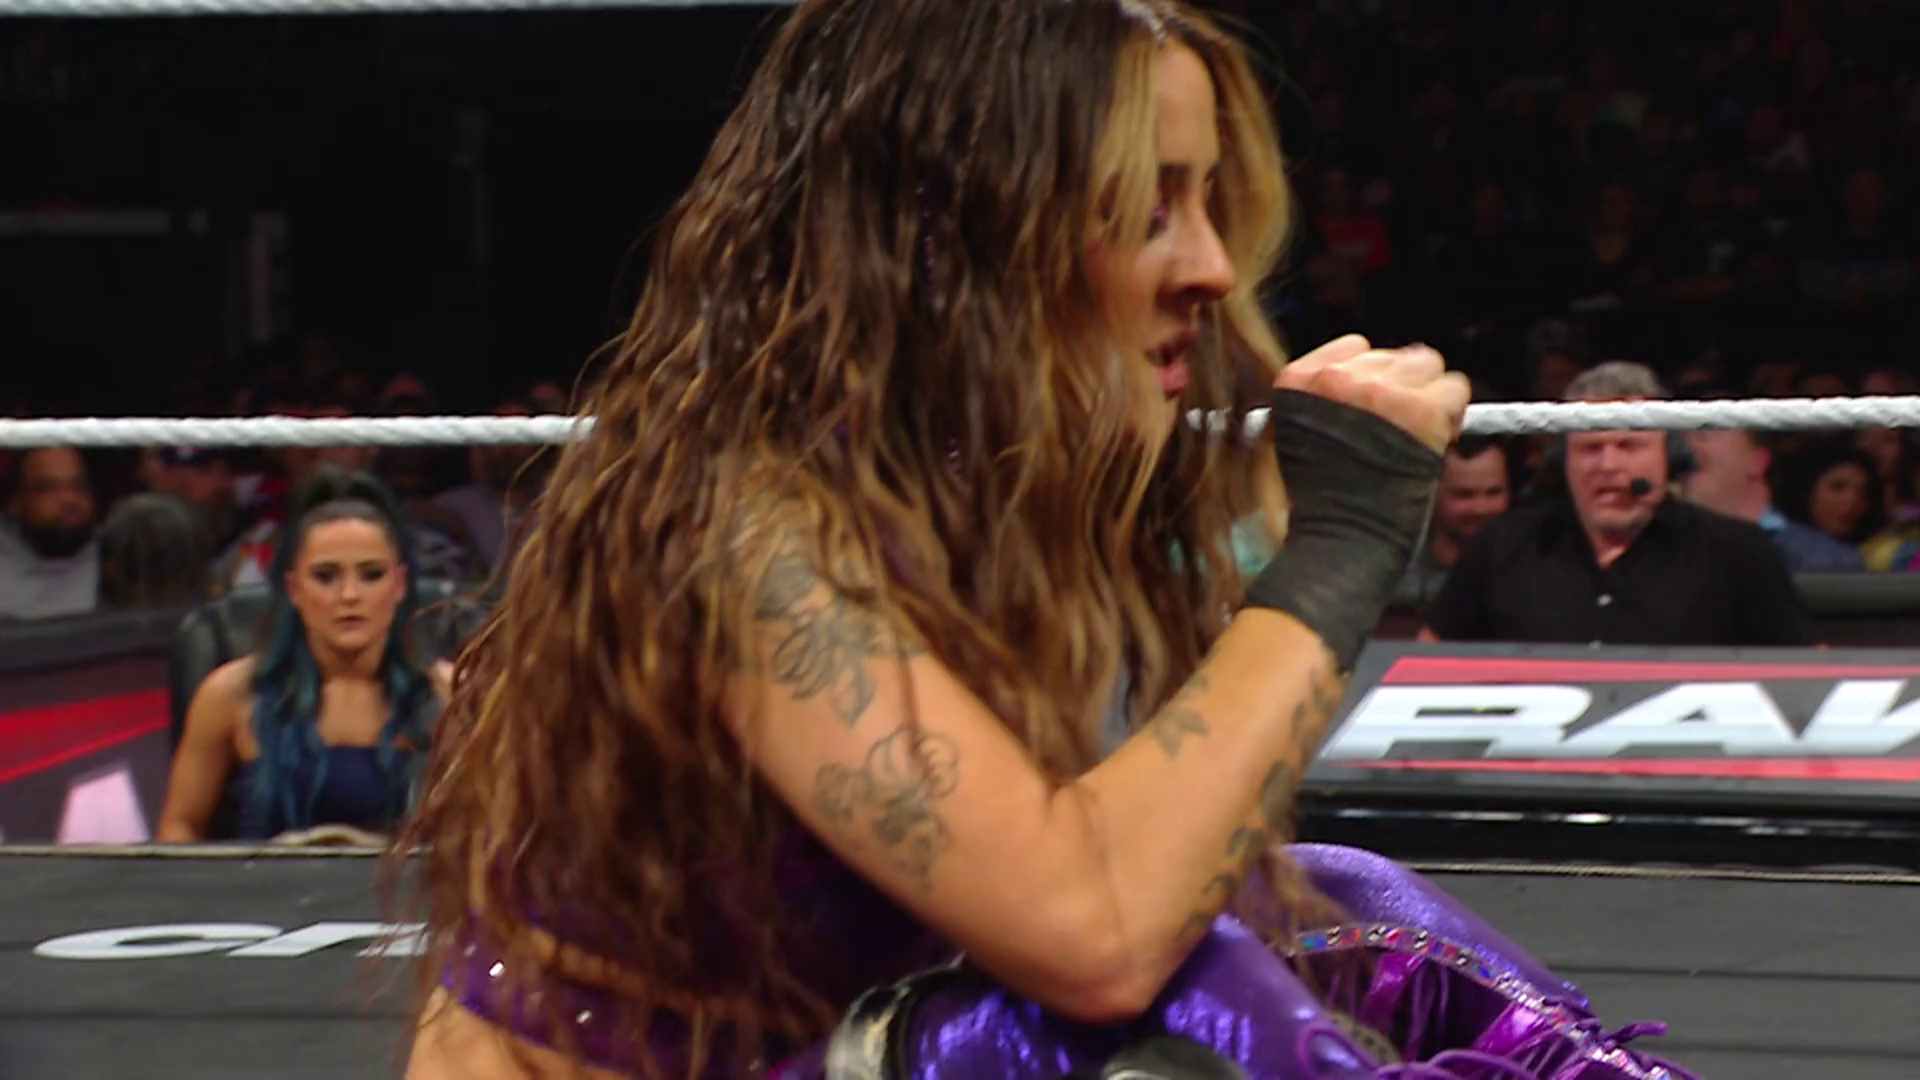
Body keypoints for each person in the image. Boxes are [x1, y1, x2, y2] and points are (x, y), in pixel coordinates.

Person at [401, 4, 1691, 1079]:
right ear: (957, 230)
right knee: (1185, 999)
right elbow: (1096, 933)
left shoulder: (984, 485)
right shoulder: (743, 522)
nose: (1209, 266)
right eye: (1146, 208)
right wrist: (1346, 542)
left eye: (1205, 203)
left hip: (823, 1037)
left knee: (1350, 909)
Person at [1422, 361, 1811, 646]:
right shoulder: (1502, 546)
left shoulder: (1738, 553)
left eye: (1629, 445)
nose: (1608, 465)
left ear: (1669, 455)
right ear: (1564, 461)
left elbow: (1812, 683)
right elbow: (1422, 668)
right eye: (1590, 448)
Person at [156, 466, 447, 843]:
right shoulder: (231, 695)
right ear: (294, 588)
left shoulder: (449, 695)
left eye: (371, 575)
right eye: (326, 576)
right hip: (263, 883)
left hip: (405, 883)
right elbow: (181, 827)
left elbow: (489, 834)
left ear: (400, 585)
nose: (349, 595)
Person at [1684, 427, 1864, 572]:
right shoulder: (1676, 549)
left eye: (1704, 436)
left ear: (1758, 461)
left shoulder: (1828, 561)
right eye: (1683, 436)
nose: (1687, 447)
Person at [1400, 436, 1512, 603]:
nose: (1480, 509)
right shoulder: (1396, 573)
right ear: (1431, 494)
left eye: (1493, 493)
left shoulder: (1530, 571)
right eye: (1464, 495)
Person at [0, 446, 100, 620]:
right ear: (15, 503)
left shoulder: (116, 557)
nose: (69, 500)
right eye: (48, 488)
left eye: (79, 486)